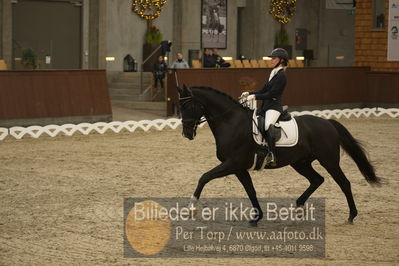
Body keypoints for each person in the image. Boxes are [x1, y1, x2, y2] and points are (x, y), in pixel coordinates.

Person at [241, 48, 288, 166]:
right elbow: (263, 90)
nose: (271, 61)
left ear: (281, 60)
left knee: (268, 125)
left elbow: (272, 94)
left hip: (274, 107)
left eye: (273, 58)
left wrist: (255, 97)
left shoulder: (281, 76)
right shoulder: (273, 73)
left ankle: (272, 155)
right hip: (265, 107)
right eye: (271, 58)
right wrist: (249, 93)